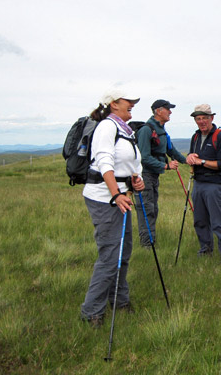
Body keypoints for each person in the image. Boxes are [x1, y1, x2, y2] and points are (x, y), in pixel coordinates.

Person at [80, 89, 145, 328]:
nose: (133, 105)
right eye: (129, 102)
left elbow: (128, 165)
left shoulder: (125, 130)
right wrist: (116, 193)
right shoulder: (107, 127)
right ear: (114, 104)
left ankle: (119, 299)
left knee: (123, 252)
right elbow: (105, 162)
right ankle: (91, 312)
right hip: (105, 199)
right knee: (110, 255)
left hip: (121, 197)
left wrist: (136, 181)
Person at [185, 104, 221, 263]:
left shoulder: (220, 136)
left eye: (204, 118)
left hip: (215, 185)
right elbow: (193, 157)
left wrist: (201, 161)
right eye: (198, 119)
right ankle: (205, 251)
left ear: (211, 118)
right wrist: (190, 158)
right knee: (200, 220)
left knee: (219, 222)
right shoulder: (195, 136)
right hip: (198, 183)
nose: (201, 122)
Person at [134, 99, 186, 247]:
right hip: (144, 176)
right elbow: (143, 157)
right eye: (167, 109)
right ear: (158, 111)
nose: (170, 112)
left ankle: (150, 241)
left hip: (153, 176)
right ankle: (147, 245)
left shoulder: (161, 130)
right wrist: (165, 166)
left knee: (153, 209)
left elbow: (171, 150)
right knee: (147, 209)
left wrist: (186, 161)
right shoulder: (146, 130)